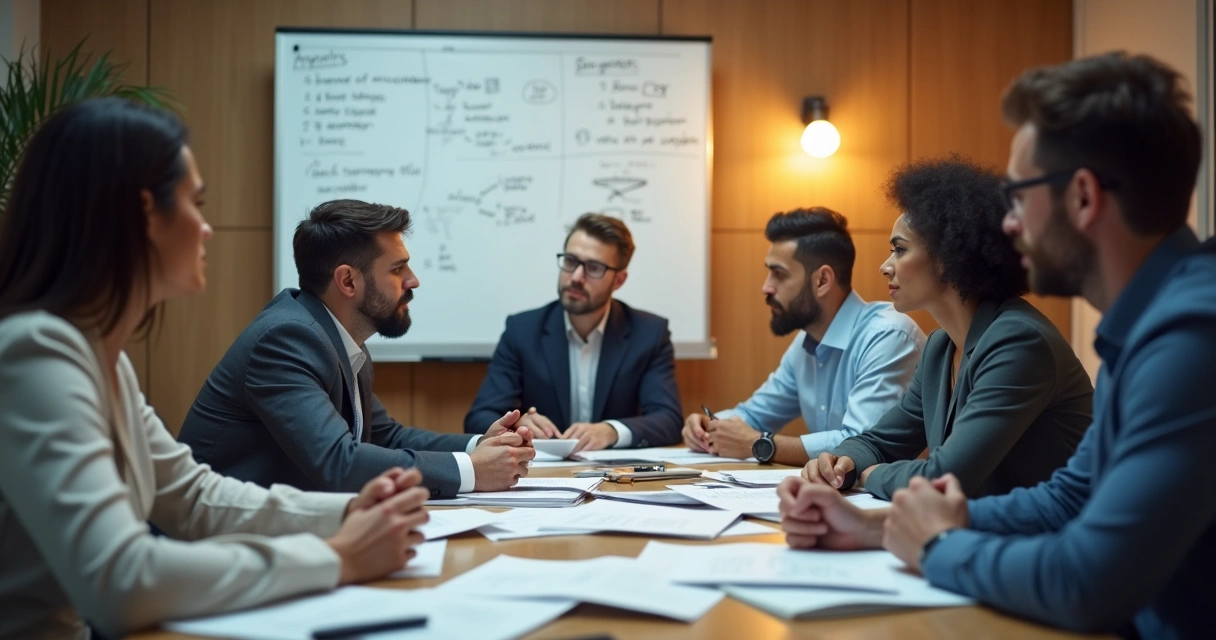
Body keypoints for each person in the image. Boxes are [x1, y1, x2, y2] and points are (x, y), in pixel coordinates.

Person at [778, 52, 1216, 638]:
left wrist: (934, 546)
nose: (1008, 224)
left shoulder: (1192, 337)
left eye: (1020, 195)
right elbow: (1067, 500)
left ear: (1083, 198)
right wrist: (874, 530)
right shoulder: (1148, 327)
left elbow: (1086, 583)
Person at [0, 98, 433, 639]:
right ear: (143, 217)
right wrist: (336, 558)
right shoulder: (36, 354)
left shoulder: (101, 358)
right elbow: (121, 581)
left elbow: (193, 495)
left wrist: (345, 516)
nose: (207, 229)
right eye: (196, 203)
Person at [178, 200, 534, 498]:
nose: (413, 280)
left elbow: (386, 436)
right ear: (348, 280)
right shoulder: (285, 340)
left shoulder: (337, 338)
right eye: (397, 269)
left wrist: (480, 446)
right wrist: (471, 470)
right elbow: (339, 462)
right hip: (214, 540)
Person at [806, 156, 1092, 499]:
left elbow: (945, 478)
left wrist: (871, 475)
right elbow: (880, 441)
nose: (885, 266)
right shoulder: (940, 347)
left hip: (1052, 530)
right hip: (985, 525)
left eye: (900, 250)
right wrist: (841, 462)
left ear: (948, 257)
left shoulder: (1019, 342)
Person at [682, 208, 925, 466]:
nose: (766, 287)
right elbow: (754, 415)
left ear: (822, 280)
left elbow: (861, 444)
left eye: (779, 274)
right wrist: (710, 426)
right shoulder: (805, 343)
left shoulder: (888, 336)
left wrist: (760, 444)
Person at [464, 213, 682, 452]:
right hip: (540, 469)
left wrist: (612, 430)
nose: (576, 277)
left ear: (619, 280)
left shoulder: (649, 334)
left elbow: (668, 419)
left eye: (594, 268)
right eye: (570, 261)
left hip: (614, 470)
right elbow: (479, 417)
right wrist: (516, 425)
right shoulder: (522, 331)